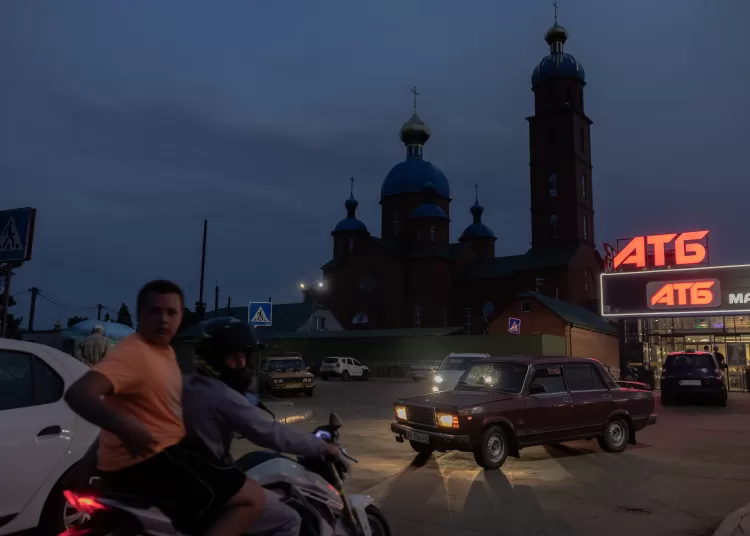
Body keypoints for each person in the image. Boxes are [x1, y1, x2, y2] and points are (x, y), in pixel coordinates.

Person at [64, 280, 265, 536]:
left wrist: (87, 462)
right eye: (154, 311)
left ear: (181, 317)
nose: (164, 320)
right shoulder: (135, 354)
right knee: (251, 500)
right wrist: (126, 427)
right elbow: (79, 394)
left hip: (152, 461)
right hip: (154, 465)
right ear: (140, 315)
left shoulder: (163, 353)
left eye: (171, 312)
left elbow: (130, 411)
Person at [182, 317, 341, 536]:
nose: (242, 365)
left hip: (191, 475)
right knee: (288, 519)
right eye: (233, 357)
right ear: (214, 359)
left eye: (244, 357)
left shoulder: (190, 384)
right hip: (208, 484)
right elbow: (269, 432)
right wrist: (322, 446)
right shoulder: (221, 395)